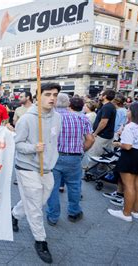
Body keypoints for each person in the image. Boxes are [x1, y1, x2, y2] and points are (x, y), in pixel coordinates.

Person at [11, 83, 62, 264]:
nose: (52, 98)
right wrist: (33, 148)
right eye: (47, 94)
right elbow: (16, 144)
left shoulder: (58, 118)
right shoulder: (26, 119)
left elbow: (54, 141)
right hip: (26, 167)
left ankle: (15, 214)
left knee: (39, 200)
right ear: (37, 96)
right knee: (35, 206)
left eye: (55, 95)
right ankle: (40, 241)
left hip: (47, 168)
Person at [46, 94, 94, 226]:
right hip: (74, 157)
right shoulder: (82, 118)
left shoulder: (51, 118)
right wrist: (81, 151)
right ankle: (74, 212)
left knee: (53, 187)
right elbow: (90, 139)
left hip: (54, 157)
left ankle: (53, 216)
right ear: (68, 104)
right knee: (74, 186)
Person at [108, 103, 138, 222]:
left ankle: (126, 213)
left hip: (130, 156)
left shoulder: (131, 127)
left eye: (129, 110)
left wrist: (117, 143)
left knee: (128, 185)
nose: (127, 112)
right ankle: (136, 211)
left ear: (135, 113)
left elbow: (127, 146)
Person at [86, 89, 117, 169]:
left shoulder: (107, 107)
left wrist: (95, 133)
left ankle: (91, 173)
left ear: (105, 96)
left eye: (101, 94)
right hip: (106, 135)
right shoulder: (108, 106)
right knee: (103, 155)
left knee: (94, 154)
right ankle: (99, 172)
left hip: (102, 135)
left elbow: (103, 122)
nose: (99, 96)